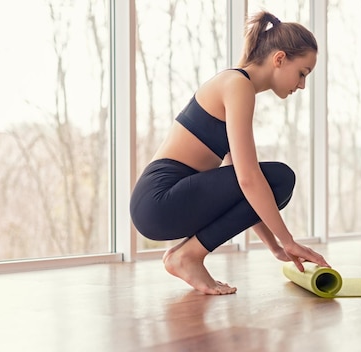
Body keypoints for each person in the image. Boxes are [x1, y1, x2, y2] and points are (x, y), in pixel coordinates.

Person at [129, 10, 330, 295]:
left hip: (160, 205)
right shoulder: (237, 85)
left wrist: (275, 247)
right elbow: (248, 178)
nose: (302, 85)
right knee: (280, 178)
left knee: (272, 182)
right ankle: (187, 256)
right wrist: (289, 241)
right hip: (160, 200)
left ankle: (188, 255)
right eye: (302, 73)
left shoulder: (237, 86)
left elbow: (242, 184)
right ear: (280, 58)